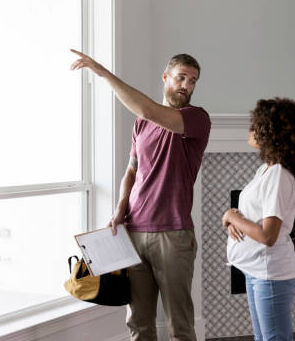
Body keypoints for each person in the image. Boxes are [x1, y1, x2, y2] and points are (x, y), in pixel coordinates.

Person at [70, 49, 211, 341]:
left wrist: (104, 73)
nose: (187, 85)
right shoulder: (140, 125)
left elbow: (148, 109)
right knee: (137, 322)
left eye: (193, 81)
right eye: (181, 77)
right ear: (165, 77)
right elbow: (132, 171)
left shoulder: (196, 119)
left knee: (180, 325)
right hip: (133, 233)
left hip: (173, 234)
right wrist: (121, 207)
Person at [221, 98, 295, 341]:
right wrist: (233, 220)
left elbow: (268, 235)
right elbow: (254, 218)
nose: (251, 130)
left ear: (272, 133)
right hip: (255, 270)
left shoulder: (278, 174)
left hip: (270, 273)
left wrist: (230, 215)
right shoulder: (265, 170)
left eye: (256, 125)